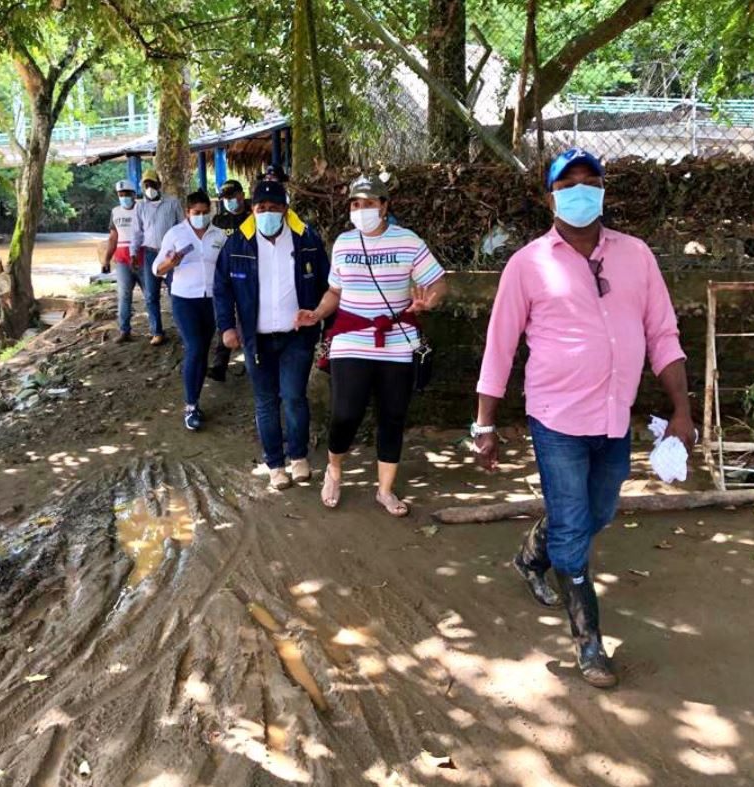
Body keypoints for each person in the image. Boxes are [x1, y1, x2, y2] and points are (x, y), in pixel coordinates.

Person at [471, 147, 693, 688]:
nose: (579, 189)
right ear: (551, 195)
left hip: (615, 417)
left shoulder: (636, 256)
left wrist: (683, 409)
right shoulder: (527, 263)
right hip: (556, 419)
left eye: (589, 179)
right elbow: (500, 347)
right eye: (567, 182)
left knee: (598, 511)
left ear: (602, 189)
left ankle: (530, 556)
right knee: (574, 527)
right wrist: (485, 424)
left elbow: (663, 334)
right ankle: (589, 643)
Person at [296, 175, 448, 517]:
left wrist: (430, 301)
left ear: (384, 206)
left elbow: (438, 283)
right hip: (352, 338)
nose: (361, 210)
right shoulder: (344, 243)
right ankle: (334, 471)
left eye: (368, 203)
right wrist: (317, 312)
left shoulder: (408, 241)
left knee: (393, 415)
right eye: (355, 204)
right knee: (346, 412)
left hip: (397, 340)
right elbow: (335, 291)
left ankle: (385, 490)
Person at [214, 180, 330, 490]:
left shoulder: (306, 240)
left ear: (285, 210)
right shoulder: (237, 244)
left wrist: (326, 327)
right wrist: (226, 327)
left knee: (293, 398)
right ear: (253, 210)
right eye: (261, 208)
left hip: (297, 336)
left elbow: (327, 285)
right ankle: (275, 464)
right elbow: (222, 288)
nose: (268, 213)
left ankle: (298, 458)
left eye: (274, 208)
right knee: (265, 402)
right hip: (256, 339)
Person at [153, 190, 226, 431]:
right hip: (184, 299)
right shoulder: (175, 234)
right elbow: (157, 269)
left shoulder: (219, 235)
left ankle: (195, 399)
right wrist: (170, 263)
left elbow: (225, 266)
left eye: (206, 213)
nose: (202, 217)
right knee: (194, 347)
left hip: (211, 300)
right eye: (197, 213)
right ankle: (190, 406)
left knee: (203, 349)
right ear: (187, 212)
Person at [129, 167, 182, 346]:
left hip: (171, 254)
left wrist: (181, 250)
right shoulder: (140, 206)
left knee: (176, 292)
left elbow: (181, 226)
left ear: (159, 184)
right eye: (146, 185)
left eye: (152, 183)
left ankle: (183, 327)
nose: (149, 187)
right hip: (150, 254)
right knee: (151, 295)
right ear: (142, 188)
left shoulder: (173, 202)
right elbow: (137, 232)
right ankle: (157, 331)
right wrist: (133, 252)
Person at [206, 179, 251, 381]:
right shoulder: (219, 220)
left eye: (232, 197)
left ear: (241, 195)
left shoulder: (255, 215)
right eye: (225, 198)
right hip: (225, 274)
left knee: (248, 317)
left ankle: (252, 360)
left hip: (250, 274)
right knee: (224, 320)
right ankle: (219, 365)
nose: (229, 201)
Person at [104, 180, 145, 343]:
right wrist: (106, 259)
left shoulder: (142, 209)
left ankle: (157, 330)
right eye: (121, 195)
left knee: (149, 295)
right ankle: (124, 330)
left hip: (142, 257)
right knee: (124, 296)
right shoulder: (115, 212)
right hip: (121, 259)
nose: (124, 197)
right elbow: (113, 237)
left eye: (127, 194)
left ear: (134, 195)